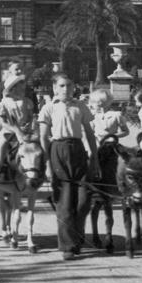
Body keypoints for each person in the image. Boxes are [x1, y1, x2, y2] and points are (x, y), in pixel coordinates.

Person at [38, 73, 98, 261]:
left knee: (82, 201)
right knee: (64, 201)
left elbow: (89, 133)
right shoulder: (48, 108)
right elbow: (42, 137)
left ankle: (77, 239)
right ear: (55, 88)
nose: (66, 89)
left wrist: (94, 158)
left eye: (69, 85)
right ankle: (67, 246)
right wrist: (48, 163)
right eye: (62, 86)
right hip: (58, 150)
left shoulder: (80, 106)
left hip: (78, 150)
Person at [0, 73, 36, 175]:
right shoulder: (4, 103)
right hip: (9, 130)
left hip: (25, 129)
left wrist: (29, 125)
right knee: (2, 143)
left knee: (36, 144)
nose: (23, 90)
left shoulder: (27, 101)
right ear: (12, 89)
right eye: (20, 88)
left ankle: (37, 167)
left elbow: (31, 116)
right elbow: (3, 122)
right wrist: (16, 130)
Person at [0, 62, 39, 130]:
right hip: (7, 130)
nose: (20, 71)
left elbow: (34, 109)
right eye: (17, 69)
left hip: (26, 129)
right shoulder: (0, 87)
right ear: (9, 72)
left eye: (21, 69)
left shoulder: (27, 88)